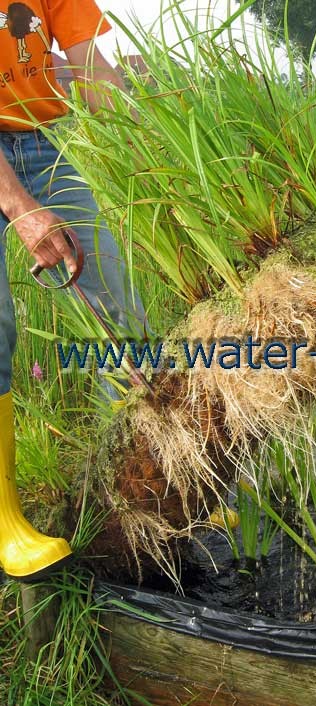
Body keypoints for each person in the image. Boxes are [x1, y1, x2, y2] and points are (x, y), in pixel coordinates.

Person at [0, 0, 146, 581]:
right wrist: (19, 207)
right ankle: (5, 520)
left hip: (38, 142)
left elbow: (89, 65)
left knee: (120, 306)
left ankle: (142, 492)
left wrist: (154, 157)